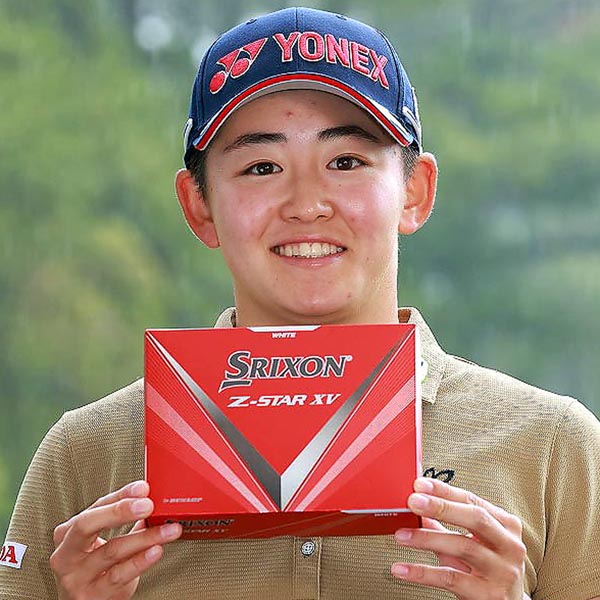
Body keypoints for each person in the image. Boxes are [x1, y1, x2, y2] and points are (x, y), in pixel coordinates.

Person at [1, 6, 599, 600]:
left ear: (415, 191)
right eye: (262, 167)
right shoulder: (85, 452)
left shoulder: (554, 446)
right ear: (199, 206)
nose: (307, 204)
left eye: (346, 162)